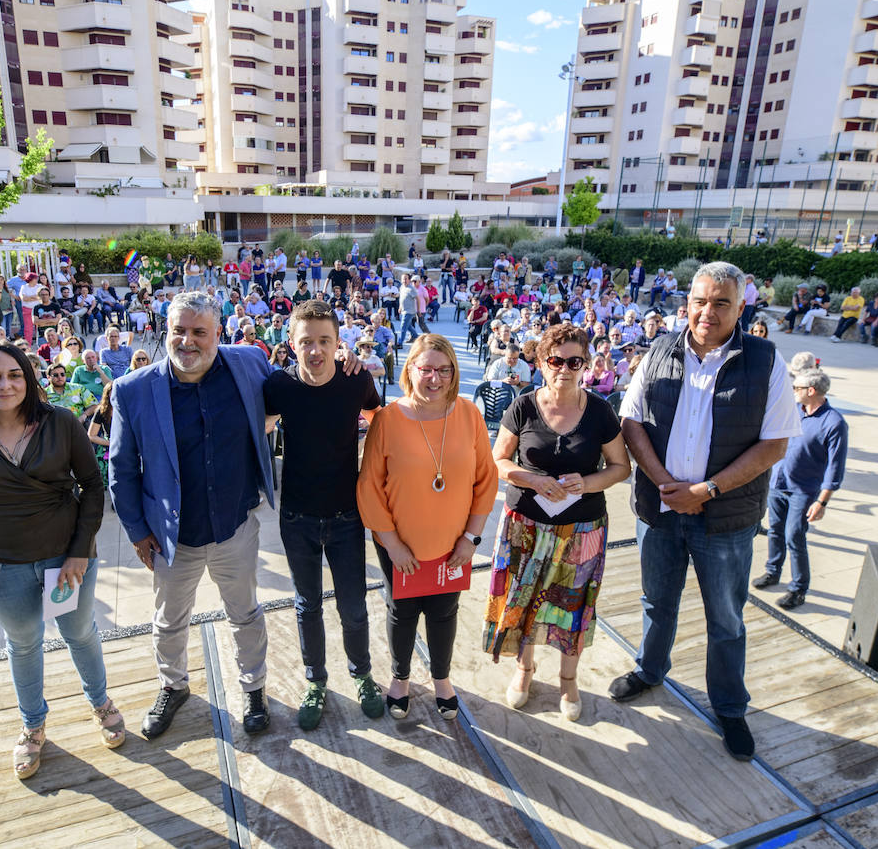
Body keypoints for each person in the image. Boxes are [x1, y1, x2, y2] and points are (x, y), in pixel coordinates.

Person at [610, 261, 801, 762]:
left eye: (721, 303)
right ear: (686, 303)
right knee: (657, 602)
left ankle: (730, 707)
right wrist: (665, 483)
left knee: (725, 619)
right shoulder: (658, 350)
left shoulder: (764, 361)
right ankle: (651, 671)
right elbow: (631, 422)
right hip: (660, 509)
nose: (708, 312)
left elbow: (774, 445)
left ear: (741, 308)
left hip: (725, 520)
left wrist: (706, 490)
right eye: (700, 301)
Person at [0, 340, 121, 779]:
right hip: (5, 563)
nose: (5, 384)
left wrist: (80, 551)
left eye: (14, 374)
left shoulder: (59, 422)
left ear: (29, 378)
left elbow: (93, 486)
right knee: (23, 642)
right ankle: (33, 725)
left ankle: (101, 702)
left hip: (65, 557)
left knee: (78, 632)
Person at [109, 291, 279, 740]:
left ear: (217, 333)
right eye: (178, 330)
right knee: (168, 622)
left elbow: (296, 386)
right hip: (172, 536)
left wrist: (352, 371)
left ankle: (254, 689)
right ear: (166, 330)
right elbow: (121, 469)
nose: (187, 341)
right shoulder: (133, 390)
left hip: (235, 528)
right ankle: (173, 686)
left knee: (245, 614)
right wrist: (137, 531)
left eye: (198, 332)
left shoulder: (249, 364)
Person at [485, 325, 630, 720]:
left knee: (572, 607)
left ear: (585, 364)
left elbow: (620, 467)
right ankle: (524, 670)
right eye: (556, 360)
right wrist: (533, 479)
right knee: (525, 599)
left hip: (582, 529)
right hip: (525, 526)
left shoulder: (600, 411)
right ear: (541, 362)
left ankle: (569, 681)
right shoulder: (524, 406)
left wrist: (586, 483)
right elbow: (498, 461)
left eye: (574, 361)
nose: (565, 368)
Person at [357, 334, 495, 721]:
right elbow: (369, 487)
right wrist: (393, 544)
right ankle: (400, 679)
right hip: (398, 542)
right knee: (401, 610)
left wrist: (471, 538)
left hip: (454, 543)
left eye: (444, 370)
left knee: (444, 610)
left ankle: (441, 680)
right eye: (427, 369)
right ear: (410, 370)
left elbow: (486, 480)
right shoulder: (387, 419)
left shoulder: (469, 414)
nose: (435, 378)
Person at [262, 301, 385, 730]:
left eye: (324, 341)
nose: (315, 350)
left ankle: (362, 675)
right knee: (306, 605)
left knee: (353, 606)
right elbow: (260, 427)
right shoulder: (279, 385)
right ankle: (316, 682)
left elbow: (378, 417)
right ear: (291, 344)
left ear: (338, 343)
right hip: (296, 516)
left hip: (347, 516)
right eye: (306, 342)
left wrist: (374, 468)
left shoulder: (356, 380)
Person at [753, 367, 847, 609]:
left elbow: (835, 468)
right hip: (778, 483)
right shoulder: (793, 410)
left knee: (794, 535)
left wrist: (822, 501)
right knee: (774, 530)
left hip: (803, 491)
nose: (794, 391)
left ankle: (798, 588)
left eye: (797, 388)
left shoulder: (834, 423)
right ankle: (773, 572)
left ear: (811, 390)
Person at [18, 270, 43, 340]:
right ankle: (28, 344)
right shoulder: (24, 287)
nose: (36, 280)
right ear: (30, 279)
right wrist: (35, 297)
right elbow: (24, 298)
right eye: (35, 278)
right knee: (28, 328)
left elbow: (41, 296)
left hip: (38, 309)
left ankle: (41, 343)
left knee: (40, 326)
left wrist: (30, 297)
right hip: (27, 309)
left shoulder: (39, 286)